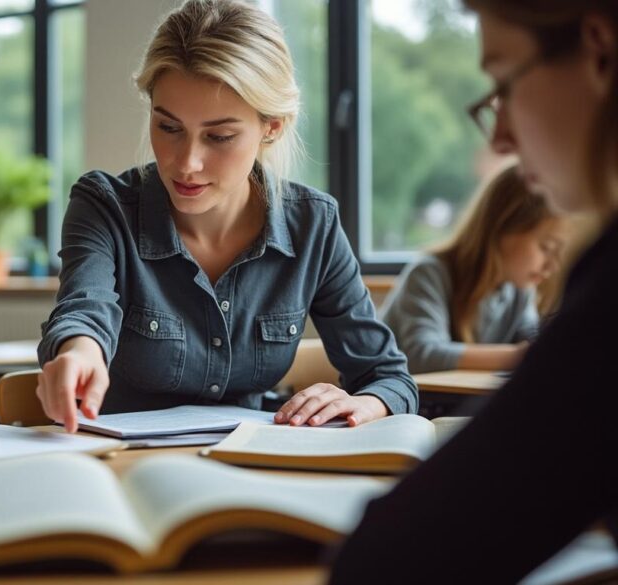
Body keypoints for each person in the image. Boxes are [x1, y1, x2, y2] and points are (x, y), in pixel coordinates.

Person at [329, 1, 618, 583]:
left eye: (503, 82)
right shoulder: (436, 273)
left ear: (600, 49)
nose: (503, 135)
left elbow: (388, 563)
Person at [36, 0, 417, 433]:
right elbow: (85, 309)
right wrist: (79, 351)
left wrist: (365, 402)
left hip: (252, 468)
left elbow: (389, 377)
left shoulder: (315, 225)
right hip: (122, 469)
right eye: (168, 127)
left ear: (271, 127)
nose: (187, 163)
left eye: (219, 136)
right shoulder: (104, 204)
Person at [380, 163, 567, 374]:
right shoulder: (429, 273)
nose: (553, 265)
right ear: (502, 227)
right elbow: (420, 354)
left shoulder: (519, 290)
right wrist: (521, 355)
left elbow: (530, 339)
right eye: (546, 247)